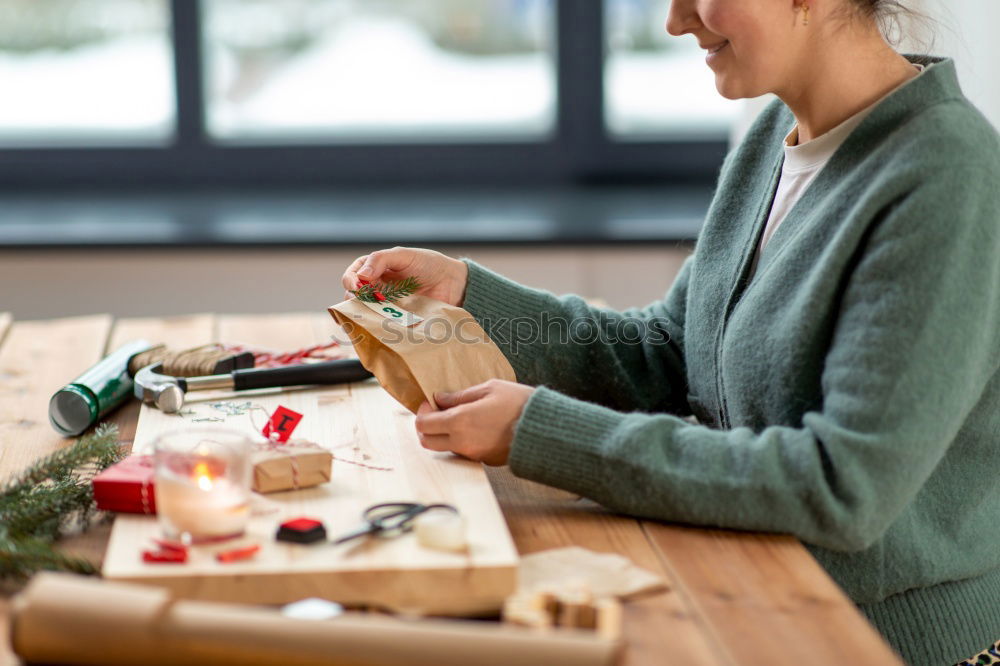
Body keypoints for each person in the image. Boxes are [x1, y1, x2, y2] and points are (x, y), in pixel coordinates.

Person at [340, 1, 1000, 664]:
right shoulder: (777, 134)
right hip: (756, 597)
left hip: (879, 644)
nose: (676, 21)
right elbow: (669, 353)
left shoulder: (946, 173)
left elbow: (839, 486)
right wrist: (470, 296)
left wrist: (535, 433)